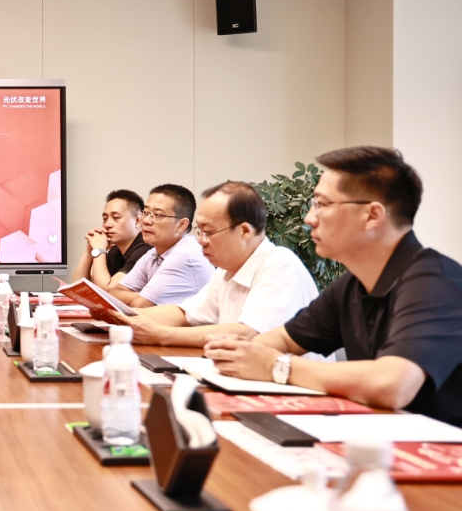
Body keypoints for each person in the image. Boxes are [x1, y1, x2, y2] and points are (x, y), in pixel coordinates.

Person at [205, 147, 462, 426]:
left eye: (322, 204)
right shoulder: (352, 285)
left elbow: (391, 385)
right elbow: (283, 340)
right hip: (381, 436)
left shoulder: (436, 284)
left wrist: (277, 367)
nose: (309, 218)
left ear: (372, 216)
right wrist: (240, 354)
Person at [104, 181, 318, 346]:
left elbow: (247, 333)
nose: (200, 241)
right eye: (200, 231)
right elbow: (184, 314)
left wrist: (162, 335)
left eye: (208, 232)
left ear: (244, 231)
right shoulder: (225, 271)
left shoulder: (279, 264)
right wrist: (115, 317)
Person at [104, 184, 214, 308]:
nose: (146, 221)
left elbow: (138, 306)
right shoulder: (154, 253)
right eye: (146, 212)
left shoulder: (184, 255)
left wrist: (142, 298)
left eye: (158, 215)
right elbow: (113, 294)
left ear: (181, 225)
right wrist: (145, 296)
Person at [70, 189, 150, 290]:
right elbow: (78, 288)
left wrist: (99, 250)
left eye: (116, 217)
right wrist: (89, 251)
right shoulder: (115, 251)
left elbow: (109, 291)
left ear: (138, 220)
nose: (107, 224)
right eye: (105, 218)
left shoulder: (145, 250)